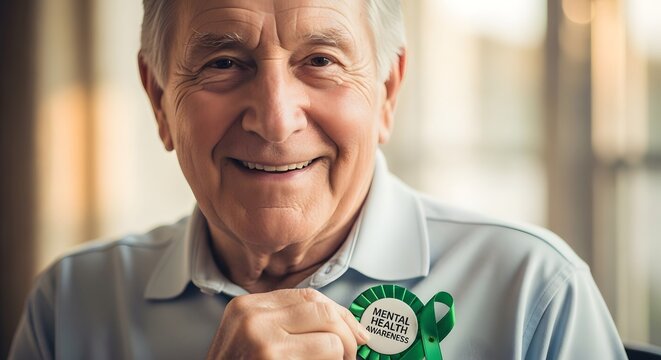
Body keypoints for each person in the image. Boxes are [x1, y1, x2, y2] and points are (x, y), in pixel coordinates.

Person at [10, 0, 627, 359]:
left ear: (386, 93)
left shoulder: (536, 296)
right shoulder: (70, 308)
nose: (276, 120)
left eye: (322, 61)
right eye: (225, 62)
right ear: (158, 98)